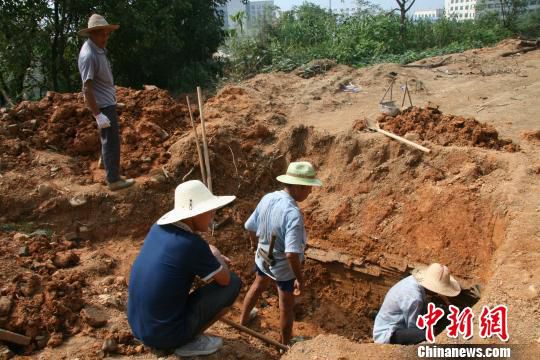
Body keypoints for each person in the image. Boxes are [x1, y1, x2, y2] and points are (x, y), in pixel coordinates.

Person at [127, 180, 242, 357]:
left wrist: (208, 252)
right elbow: (225, 279)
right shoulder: (192, 245)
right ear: (192, 215)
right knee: (233, 283)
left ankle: (174, 335)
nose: (213, 214)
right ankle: (186, 341)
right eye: (208, 210)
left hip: (138, 326)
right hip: (164, 336)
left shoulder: (158, 228)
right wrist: (216, 254)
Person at [239, 161, 322, 345]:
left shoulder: (268, 198)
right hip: (282, 267)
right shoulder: (293, 214)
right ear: (298, 187)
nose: (310, 192)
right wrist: (299, 279)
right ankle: (284, 344)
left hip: (263, 255)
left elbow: (249, 226)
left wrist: (254, 243)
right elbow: (292, 254)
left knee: (258, 285)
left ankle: (242, 323)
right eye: (308, 188)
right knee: (286, 306)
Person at [77, 14, 134, 191]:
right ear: (92, 34)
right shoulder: (88, 55)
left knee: (109, 139)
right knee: (111, 141)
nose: (106, 37)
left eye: (107, 33)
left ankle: (109, 169)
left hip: (107, 101)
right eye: (102, 34)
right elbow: (87, 88)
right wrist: (98, 114)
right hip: (102, 105)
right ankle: (114, 180)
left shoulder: (98, 48)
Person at [373, 263, 461, 345]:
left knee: (442, 312)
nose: (437, 293)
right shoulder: (414, 297)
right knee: (428, 333)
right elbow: (414, 326)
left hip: (400, 321)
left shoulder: (415, 281)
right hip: (389, 333)